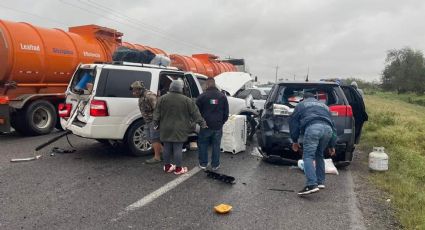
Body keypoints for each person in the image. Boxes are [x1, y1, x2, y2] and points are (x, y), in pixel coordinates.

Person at [153, 79, 207, 175]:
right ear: (180, 89)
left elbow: (156, 114)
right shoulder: (186, 100)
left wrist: (156, 124)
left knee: (166, 147)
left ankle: (167, 166)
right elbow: (196, 114)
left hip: (165, 127)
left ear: (170, 88)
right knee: (178, 148)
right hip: (180, 128)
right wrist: (202, 123)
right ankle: (178, 169)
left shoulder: (162, 98)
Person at [289, 92, 337, 196]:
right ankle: (320, 182)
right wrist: (332, 145)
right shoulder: (325, 106)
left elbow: (294, 123)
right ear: (315, 98)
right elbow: (333, 126)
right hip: (328, 130)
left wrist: (295, 141)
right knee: (319, 154)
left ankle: (311, 184)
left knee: (308, 156)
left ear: (303, 98)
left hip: (313, 127)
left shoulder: (301, 105)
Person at [196, 78, 229, 171]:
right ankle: (215, 165)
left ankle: (203, 164)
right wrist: (222, 122)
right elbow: (226, 113)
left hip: (205, 125)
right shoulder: (222, 97)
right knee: (216, 145)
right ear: (215, 84)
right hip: (218, 126)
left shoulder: (202, 96)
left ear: (207, 85)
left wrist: (200, 122)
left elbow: (196, 111)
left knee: (203, 144)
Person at [130, 80, 162, 164]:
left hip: (154, 121)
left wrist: (156, 122)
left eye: (135, 91)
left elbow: (158, 109)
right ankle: (163, 152)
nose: (133, 93)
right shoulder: (141, 96)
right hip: (148, 121)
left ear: (140, 89)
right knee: (148, 137)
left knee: (155, 139)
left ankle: (157, 157)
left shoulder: (150, 96)